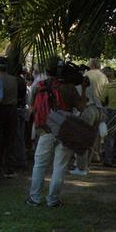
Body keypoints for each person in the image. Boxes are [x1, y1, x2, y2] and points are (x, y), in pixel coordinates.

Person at [27, 57, 83, 207]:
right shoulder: (69, 87)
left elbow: (32, 108)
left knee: (39, 164)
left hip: (45, 129)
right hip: (65, 128)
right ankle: (52, 200)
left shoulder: (39, 86)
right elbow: (81, 107)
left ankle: (34, 198)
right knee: (60, 165)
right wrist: (83, 89)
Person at [0, 56, 18, 176]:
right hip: (12, 110)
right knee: (10, 139)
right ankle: (10, 166)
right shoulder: (14, 79)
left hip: (0, 109)